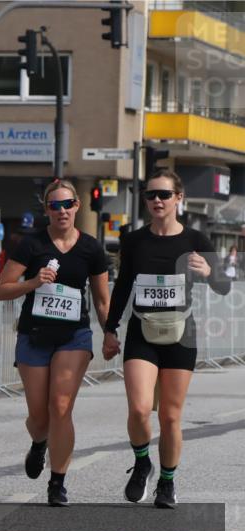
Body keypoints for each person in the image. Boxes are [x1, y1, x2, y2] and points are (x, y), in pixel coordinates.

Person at [103, 169, 231, 508]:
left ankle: (168, 482)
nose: (156, 200)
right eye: (151, 195)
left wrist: (208, 272)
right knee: (139, 409)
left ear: (179, 199)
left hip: (181, 333)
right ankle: (142, 461)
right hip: (141, 331)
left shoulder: (195, 241)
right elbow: (124, 286)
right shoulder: (133, 240)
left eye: (163, 194)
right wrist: (109, 329)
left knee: (171, 417)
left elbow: (224, 286)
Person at [0, 179, 110, 506]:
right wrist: (33, 281)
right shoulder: (31, 245)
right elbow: (1, 289)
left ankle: (57, 481)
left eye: (67, 204)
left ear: (77, 206)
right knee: (39, 417)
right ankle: (39, 442)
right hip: (34, 336)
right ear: (47, 210)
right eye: (54, 205)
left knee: (61, 407)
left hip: (74, 336)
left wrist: (110, 333)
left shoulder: (91, 248)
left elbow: (102, 301)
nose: (61, 211)